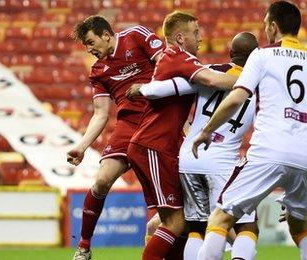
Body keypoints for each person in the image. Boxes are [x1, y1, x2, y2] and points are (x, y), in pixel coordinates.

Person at [193, 2, 307, 259]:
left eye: (267, 24)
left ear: (273, 26)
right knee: (300, 225)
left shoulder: (262, 55)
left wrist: (206, 130)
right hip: (305, 156)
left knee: (220, 219)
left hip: (269, 151)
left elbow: (235, 99)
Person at [131, 32, 260, 259]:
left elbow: (166, 87)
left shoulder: (208, 71)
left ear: (230, 53)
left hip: (190, 158)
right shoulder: (258, 83)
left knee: (196, 229)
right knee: (246, 228)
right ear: (255, 57)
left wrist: (141, 89)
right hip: (222, 161)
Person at [66, 15, 165, 260]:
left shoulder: (136, 36)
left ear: (106, 35)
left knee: (162, 194)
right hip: (128, 125)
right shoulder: (98, 71)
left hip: (159, 120)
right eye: (86, 46)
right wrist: (81, 146)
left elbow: (165, 64)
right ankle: (84, 247)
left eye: (91, 42)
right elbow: (101, 114)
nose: (89, 50)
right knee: (101, 181)